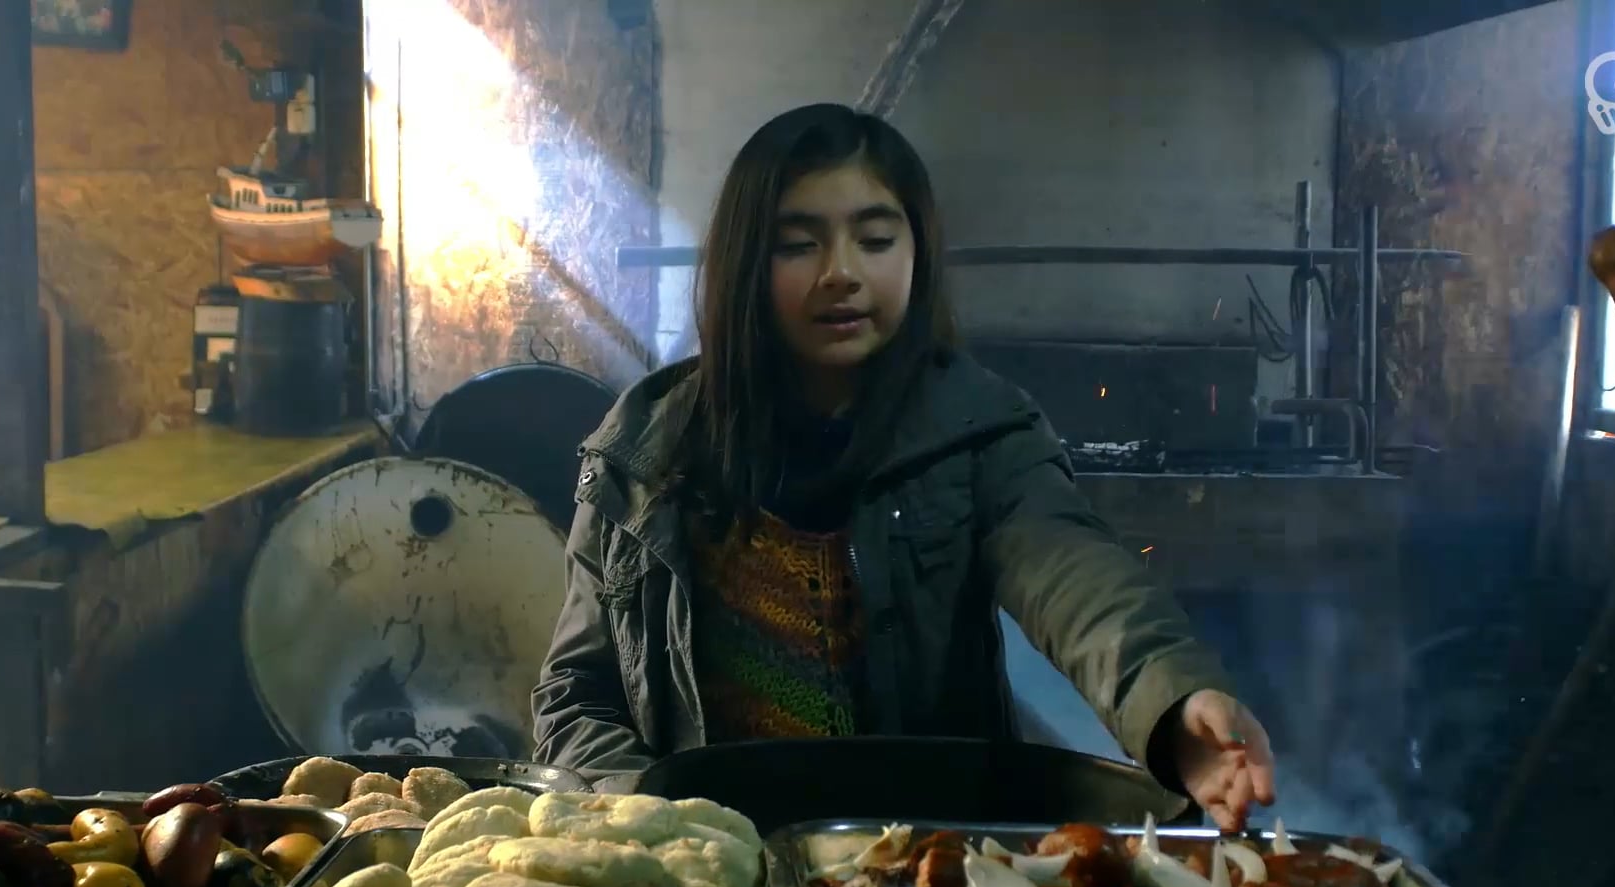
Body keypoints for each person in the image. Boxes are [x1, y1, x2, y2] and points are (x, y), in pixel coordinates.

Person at [531, 103, 1276, 830]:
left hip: (925, 864)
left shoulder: (977, 431)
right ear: (744, 264)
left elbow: (1077, 576)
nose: (841, 273)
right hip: (715, 870)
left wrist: (1172, 701)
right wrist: (655, 822)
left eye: (876, 240)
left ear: (917, 252)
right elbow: (576, 697)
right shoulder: (645, 453)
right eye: (798, 245)